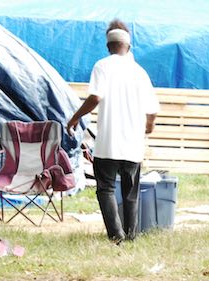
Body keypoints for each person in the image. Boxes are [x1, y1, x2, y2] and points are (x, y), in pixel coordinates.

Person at [66, 19, 160, 243]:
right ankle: (131, 236)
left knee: (106, 189)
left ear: (108, 46)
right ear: (128, 46)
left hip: (108, 144)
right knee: (130, 193)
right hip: (133, 146)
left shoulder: (102, 66)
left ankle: (116, 235)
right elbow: (153, 110)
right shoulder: (140, 72)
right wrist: (148, 127)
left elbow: (95, 97)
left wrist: (75, 117)